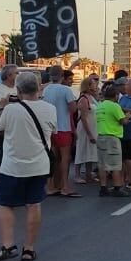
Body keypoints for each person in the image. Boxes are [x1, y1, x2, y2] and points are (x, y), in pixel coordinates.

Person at [0, 70, 56, 261]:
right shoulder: (49, 109)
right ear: (38, 88)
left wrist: (2, 107)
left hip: (13, 166)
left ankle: (8, 245)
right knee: (34, 204)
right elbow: (53, 130)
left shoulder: (10, 109)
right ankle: (29, 248)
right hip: (39, 165)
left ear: (18, 90)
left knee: (6, 205)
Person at [43, 66, 78, 198]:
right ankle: (64, 186)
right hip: (63, 126)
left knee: (53, 158)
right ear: (62, 76)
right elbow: (73, 108)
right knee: (65, 158)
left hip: (50, 127)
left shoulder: (46, 89)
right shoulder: (66, 90)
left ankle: (51, 185)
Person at [94, 82, 126, 196]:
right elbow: (123, 121)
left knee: (102, 165)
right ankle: (117, 188)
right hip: (112, 137)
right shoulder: (114, 106)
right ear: (115, 95)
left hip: (101, 136)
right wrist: (129, 116)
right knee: (115, 164)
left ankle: (103, 187)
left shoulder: (100, 105)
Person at [72, 75, 100, 184]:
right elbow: (83, 118)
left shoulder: (91, 97)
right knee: (81, 150)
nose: (96, 85)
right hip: (85, 129)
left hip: (93, 127)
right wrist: (89, 134)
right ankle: (77, 175)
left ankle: (89, 175)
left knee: (90, 152)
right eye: (93, 83)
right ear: (88, 86)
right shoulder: (83, 99)